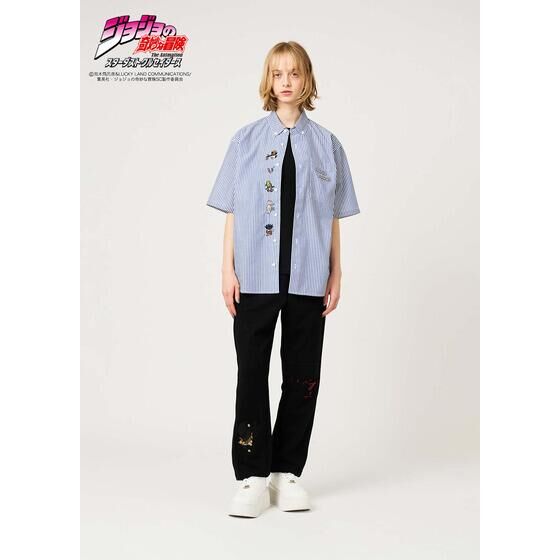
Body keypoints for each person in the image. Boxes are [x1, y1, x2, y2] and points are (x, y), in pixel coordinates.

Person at [206, 41, 361, 518]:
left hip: (309, 277)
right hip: (254, 275)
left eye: (294, 73)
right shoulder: (245, 141)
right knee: (251, 373)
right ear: (268, 81)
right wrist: (227, 269)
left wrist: (336, 270)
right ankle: (252, 475)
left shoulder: (329, 145)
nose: (286, 82)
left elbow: (332, 216)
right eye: (278, 74)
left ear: (307, 79)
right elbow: (232, 210)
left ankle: (286, 471)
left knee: (302, 376)